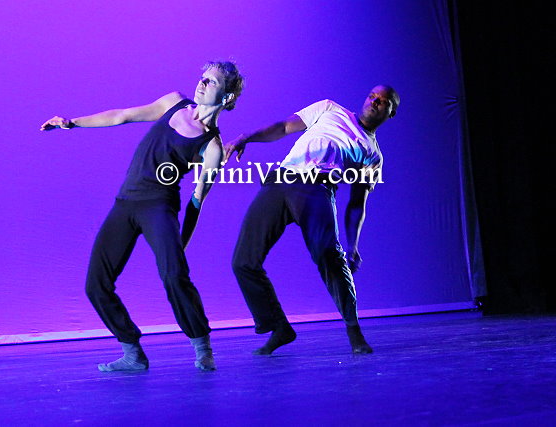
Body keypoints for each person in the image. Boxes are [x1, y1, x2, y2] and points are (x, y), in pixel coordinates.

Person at [40, 61, 244, 371]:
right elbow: (121, 116)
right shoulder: (173, 102)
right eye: (202, 78)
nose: (201, 84)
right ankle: (133, 353)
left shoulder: (212, 146)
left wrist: (182, 243)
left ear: (227, 97)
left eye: (212, 82)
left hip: (159, 207)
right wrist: (73, 123)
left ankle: (202, 348)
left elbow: (197, 201)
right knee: (96, 284)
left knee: (174, 275)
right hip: (125, 203)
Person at [225, 85, 399, 355]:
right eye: (372, 96)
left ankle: (354, 331)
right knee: (243, 262)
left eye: (383, 101)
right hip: (281, 180)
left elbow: (357, 204)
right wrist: (246, 137)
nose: (375, 102)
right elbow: (284, 127)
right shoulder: (330, 108)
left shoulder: (372, 154)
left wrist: (353, 245)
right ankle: (279, 328)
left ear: (391, 112)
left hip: (316, 188)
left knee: (328, 255)